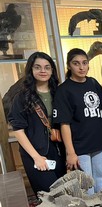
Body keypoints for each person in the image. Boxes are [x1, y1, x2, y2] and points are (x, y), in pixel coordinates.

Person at [53, 48, 102, 195]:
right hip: (80, 145)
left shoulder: (94, 83)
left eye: (84, 63)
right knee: (85, 183)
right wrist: (70, 152)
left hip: (99, 140)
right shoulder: (64, 90)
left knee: (101, 178)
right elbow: (64, 123)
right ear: (69, 66)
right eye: (76, 63)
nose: (81, 67)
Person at [8, 52, 66, 195]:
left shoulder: (58, 92)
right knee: (49, 196)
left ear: (52, 71)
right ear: (31, 70)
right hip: (35, 152)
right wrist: (36, 157)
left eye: (47, 67)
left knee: (63, 194)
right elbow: (18, 130)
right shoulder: (22, 97)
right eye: (38, 67)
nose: (43, 71)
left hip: (58, 150)